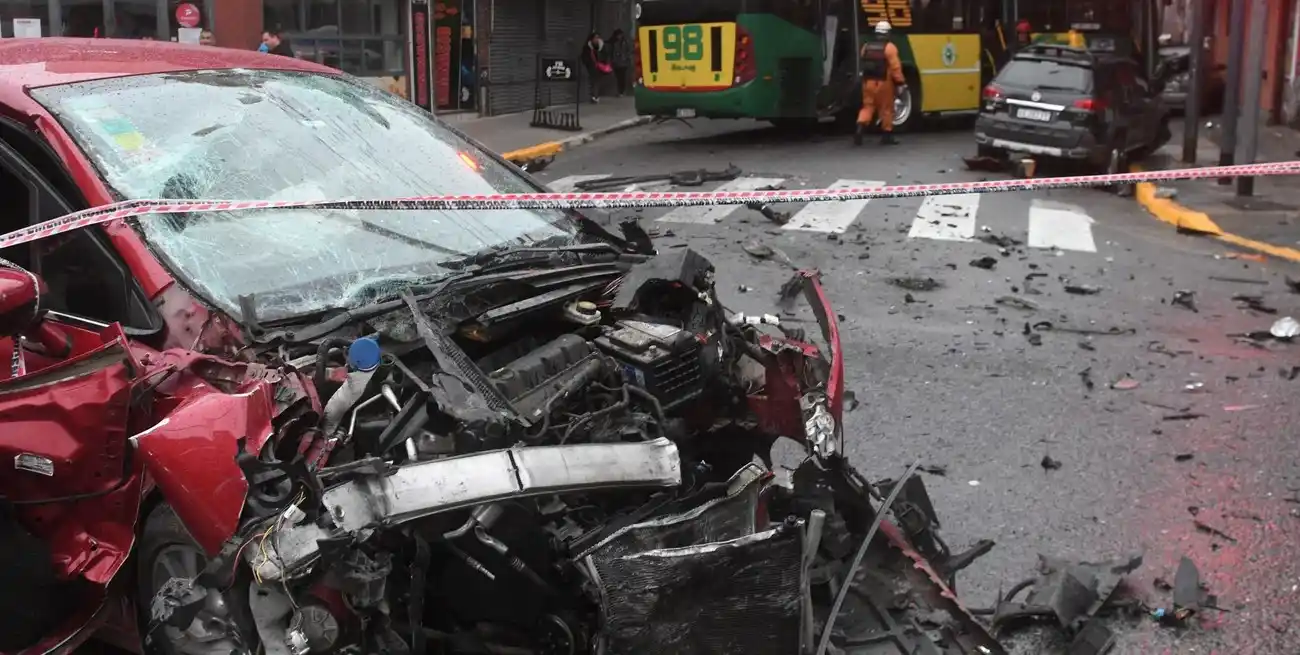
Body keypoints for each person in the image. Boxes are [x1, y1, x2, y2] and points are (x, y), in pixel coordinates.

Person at [855, 21, 905, 146]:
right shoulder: (890, 47)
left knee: (867, 107)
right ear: (887, 33)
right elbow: (895, 68)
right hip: (884, 83)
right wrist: (900, 83)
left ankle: (860, 127)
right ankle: (887, 136)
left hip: (868, 83)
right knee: (886, 109)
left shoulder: (866, 47)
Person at [580, 32, 611, 103]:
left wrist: (604, 63)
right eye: (595, 38)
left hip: (600, 67)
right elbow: (584, 56)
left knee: (596, 81)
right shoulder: (587, 47)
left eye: (597, 38)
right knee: (594, 81)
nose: (596, 39)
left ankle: (595, 95)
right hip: (591, 66)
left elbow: (606, 55)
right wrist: (588, 63)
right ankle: (594, 96)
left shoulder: (602, 46)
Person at [608, 29, 633, 97]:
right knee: (618, 77)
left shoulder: (625, 42)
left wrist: (626, 57)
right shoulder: (613, 42)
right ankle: (620, 90)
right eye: (618, 35)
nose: (619, 36)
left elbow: (629, 50)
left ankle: (621, 91)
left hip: (623, 62)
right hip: (616, 62)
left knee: (622, 77)